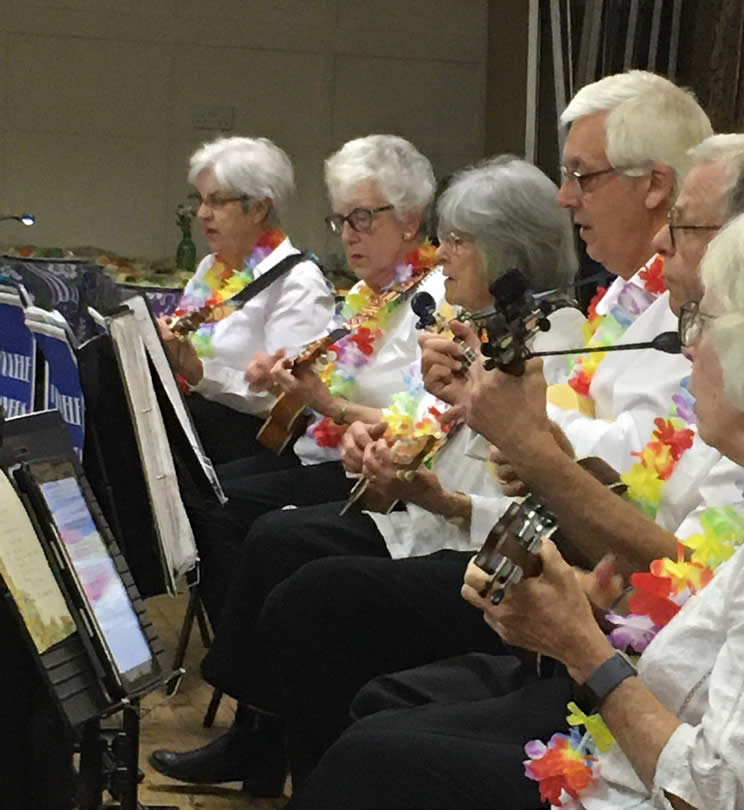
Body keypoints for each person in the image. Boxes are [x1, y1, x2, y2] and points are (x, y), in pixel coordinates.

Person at [289, 198, 744, 810]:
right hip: (628, 759)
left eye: (701, 323)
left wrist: (583, 648)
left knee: (370, 758)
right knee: (384, 732)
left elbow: (719, 797)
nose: (689, 351)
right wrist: (585, 610)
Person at [258, 129, 744, 793]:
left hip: (634, 708)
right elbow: (668, 563)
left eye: (681, 225)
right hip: (610, 646)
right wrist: (489, 492)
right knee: (356, 677)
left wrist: (580, 624)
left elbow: (719, 729)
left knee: (341, 666)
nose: (661, 243)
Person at [148, 156, 583, 796]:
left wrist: (375, 443)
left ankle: (294, 759)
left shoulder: (543, 339)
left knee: (288, 560)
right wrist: (381, 451)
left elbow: (524, 491)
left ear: (505, 250)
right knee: (264, 534)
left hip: (476, 544)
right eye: (341, 219)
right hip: (424, 509)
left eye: (457, 241)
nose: (445, 254)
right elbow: (425, 427)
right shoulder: (460, 323)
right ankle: (274, 745)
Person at [182, 134, 442, 625]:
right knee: (205, 493)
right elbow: (323, 376)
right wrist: (281, 374)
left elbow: (427, 421)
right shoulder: (368, 294)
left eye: (362, 218)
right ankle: (245, 641)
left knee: (223, 506)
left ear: (410, 219)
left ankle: (252, 653)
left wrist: (326, 404)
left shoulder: (432, 299)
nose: (348, 234)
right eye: (341, 220)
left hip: (381, 479)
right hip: (324, 455)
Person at [158, 135, 334, 464]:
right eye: (200, 200)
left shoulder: (298, 282)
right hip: (200, 418)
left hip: (249, 440)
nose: (202, 214)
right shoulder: (211, 266)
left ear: (258, 207)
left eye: (216, 202)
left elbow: (287, 404)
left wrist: (200, 374)